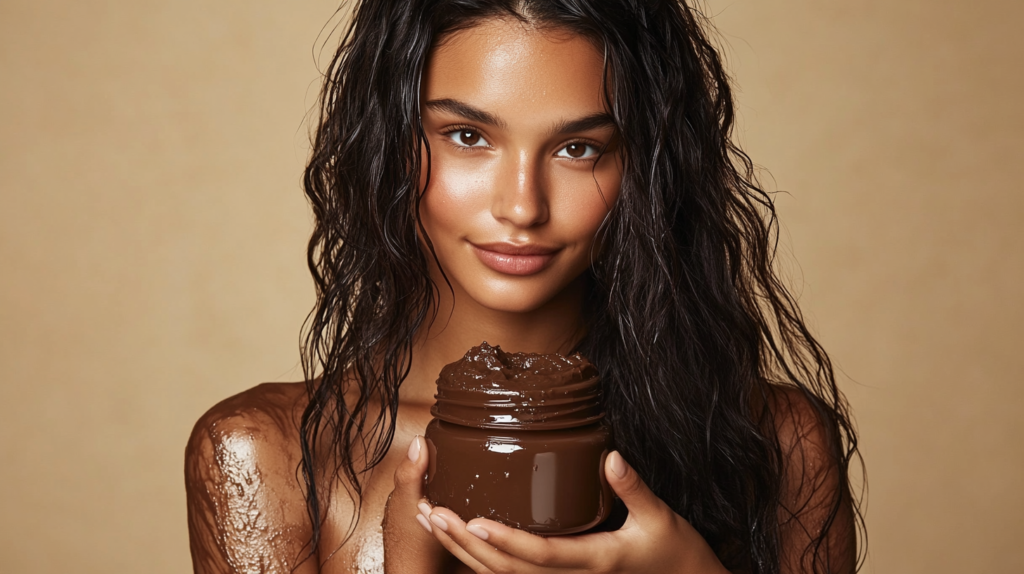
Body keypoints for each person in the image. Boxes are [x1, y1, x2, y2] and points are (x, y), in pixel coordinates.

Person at [185, 1, 864, 572]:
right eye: (467, 136)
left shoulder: (778, 442)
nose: (522, 206)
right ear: (389, 145)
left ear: (646, 172)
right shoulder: (264, 454)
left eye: (578, 149)